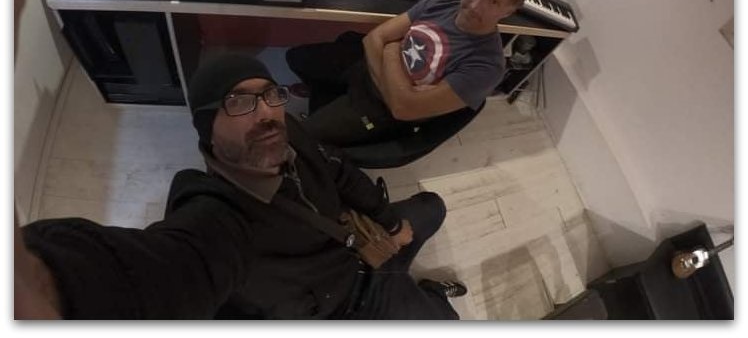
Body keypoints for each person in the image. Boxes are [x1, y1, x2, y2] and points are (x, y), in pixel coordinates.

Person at [19, 53, 468, 319]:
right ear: (207, 130)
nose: (266, 113)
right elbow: (163, 271)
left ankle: (413, 283)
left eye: (270, 95)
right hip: (346, 303)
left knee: (433, 206)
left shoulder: (288, 131)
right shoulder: (217, 217)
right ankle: (429, 297)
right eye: (238, 102)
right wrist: (43, 284)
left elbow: (339, 172)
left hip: (360, 242)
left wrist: (390, 223)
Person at [286, 0, 529, 146]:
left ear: (508, 11)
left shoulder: (487, 66)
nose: (476, 5)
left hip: (381, 112)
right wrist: (396, 91)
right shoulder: (443, 2)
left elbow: (403, 109)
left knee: (299, 138)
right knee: (295, 57)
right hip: (372, 75)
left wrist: (392, 49)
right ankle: (327, 96)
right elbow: (373, 39)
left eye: (494, 1)